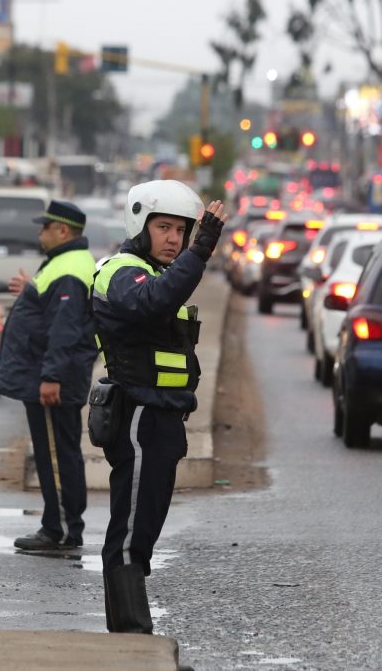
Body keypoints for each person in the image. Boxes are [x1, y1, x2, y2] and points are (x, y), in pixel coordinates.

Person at [91, 180, 226, 633]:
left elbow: (164, 294)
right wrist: (202, 249)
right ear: (139, 224)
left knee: (144, 524)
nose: (174, 238)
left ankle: (129, 631)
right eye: (163, 227)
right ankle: (131, 634)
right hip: (137, 415)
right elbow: (153, 302)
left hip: (160, 418)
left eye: (182, 231)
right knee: (132, 528)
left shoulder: (152, 273)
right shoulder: (120, 270)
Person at [0, 200, 98, 551]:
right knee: (56, 450)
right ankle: (59, 524)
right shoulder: (65, 264)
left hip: (53, 379)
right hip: (48, 374)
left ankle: (61, 529)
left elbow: (64, 328)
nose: (40, 232)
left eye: (45, 226)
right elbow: (55, 310)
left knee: (55, 453)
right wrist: (32, 290)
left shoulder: (68, 269)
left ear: (62, 231)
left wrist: (51, 377)